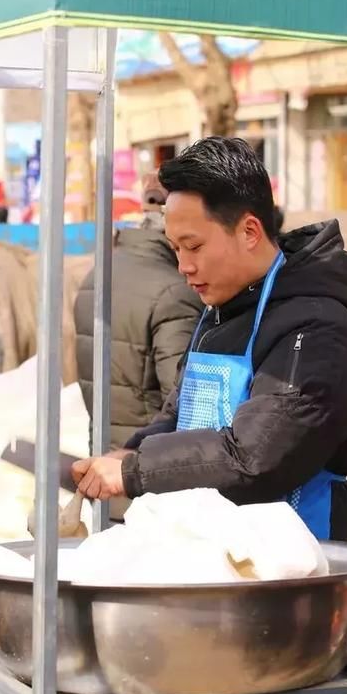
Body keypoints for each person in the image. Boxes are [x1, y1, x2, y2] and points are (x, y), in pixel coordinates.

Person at [72, 137, 347, 542]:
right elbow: (178, 413)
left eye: (193, 246)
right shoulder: (219, 310)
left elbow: (256, 458)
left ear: (249, 231)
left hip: (290, 570)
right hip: (215, 555)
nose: (183, 266)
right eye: (175, 248)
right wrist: (131, 451)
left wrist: (137, 470)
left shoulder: (317, 328)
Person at [74, 176, 202, 518]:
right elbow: (186, 403)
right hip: (147, 483)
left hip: (104, 470)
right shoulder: (174, 291)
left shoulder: (96, 277)